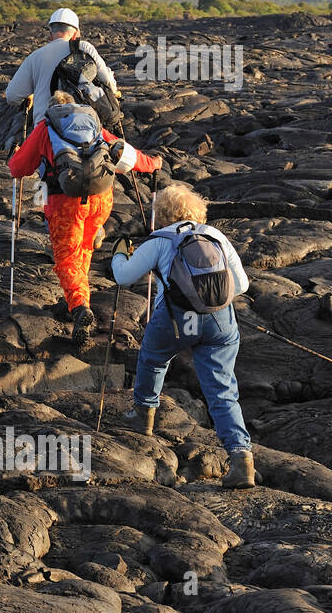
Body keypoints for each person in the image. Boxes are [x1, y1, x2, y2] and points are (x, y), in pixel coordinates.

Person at [109, 185, 255, 489]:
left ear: (161, 214)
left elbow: (123, 277)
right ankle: (241, 459)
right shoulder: (216, 236)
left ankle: (143, 417)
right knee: (222, 391)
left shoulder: (161, 240)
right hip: (219, 322)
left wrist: (119, 253)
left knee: (152, 358)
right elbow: (241, 285)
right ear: (197, 210)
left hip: (174, 320)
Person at [8, 90, 161, 346]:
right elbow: (126, 155)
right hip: (101, 198)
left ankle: (80, 307)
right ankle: (80, 295)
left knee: (66, 256)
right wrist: (152, 164)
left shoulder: (47, 127)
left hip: (65, 202)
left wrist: (15, 156)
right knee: (84, 248)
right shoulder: (91, 123)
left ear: (53, 108)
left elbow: (18, 168)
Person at [4, 8, 120, 126]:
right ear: (76, 34)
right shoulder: (84, 48)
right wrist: (114, 92)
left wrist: (30, 96)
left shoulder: (35, 57)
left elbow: (12, 96)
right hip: (83, 126)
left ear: (51, 34)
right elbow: (106, 80)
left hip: (45, 128)